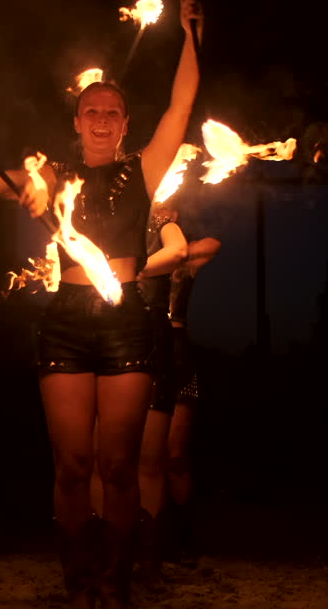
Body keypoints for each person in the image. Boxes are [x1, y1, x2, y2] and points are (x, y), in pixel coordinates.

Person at [0, 0, 202, 609]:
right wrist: (22, 190)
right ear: (78, 121)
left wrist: (191, 33)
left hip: (126, 323)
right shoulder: (56, 171)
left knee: (117, 466)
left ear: (126, 123)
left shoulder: (143, 171)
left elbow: (183, 103)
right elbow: (0, 185)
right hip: (65, 323)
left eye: (114, 111)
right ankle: (78, 583)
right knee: (73, 465)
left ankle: (115, 586)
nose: (103, 118)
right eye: (93, 110)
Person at [131, 199, 187, 582]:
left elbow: (184, 250)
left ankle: (150, 558)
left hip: (151, 341)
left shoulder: (163, 225)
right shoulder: (91, 218)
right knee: (105, 461)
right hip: (101, 336)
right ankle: (109, 552)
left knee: (152, 461)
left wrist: (133, 269)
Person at [162, 231, 221, 567]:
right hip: (133, 346)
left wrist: (176, 253)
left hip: (177, 350)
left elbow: (213, 244)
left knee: (175, 455)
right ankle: (145, 538)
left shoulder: (181, 259)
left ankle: (184, 539)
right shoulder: (124, 256)